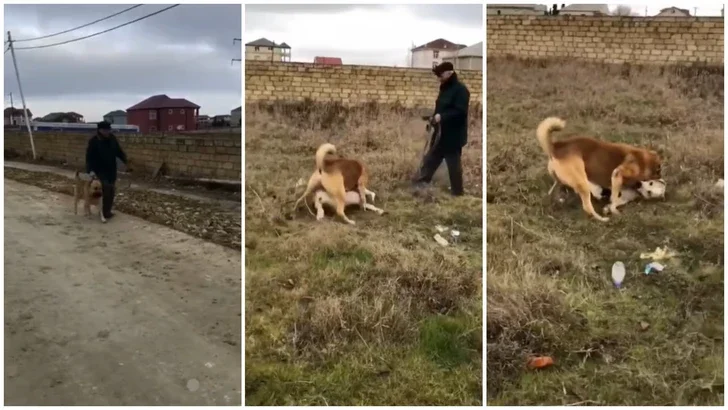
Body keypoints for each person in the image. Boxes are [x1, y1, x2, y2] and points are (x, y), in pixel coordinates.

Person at [414, 61, 470, 196]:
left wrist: (442, 117)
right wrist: (433, 121)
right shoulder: (444, 87)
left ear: (450, 73)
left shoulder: (461, 90)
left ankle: (457, 192)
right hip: (440, 133)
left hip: (453, 134)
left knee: (453, 164)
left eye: (440, 74)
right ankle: (421, 182)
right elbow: (440, 108)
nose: (438, 78)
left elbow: (460, 111)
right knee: (432, 158)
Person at [85, 121, 129, 220]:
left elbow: (118, 151)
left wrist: (126, 161)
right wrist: (90, 170)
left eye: (108, 130)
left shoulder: (112, 138)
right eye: (105, 130)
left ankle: (107, 211)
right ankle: (103, 212)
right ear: (99, 130)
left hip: (111, 169)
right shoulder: (94, 141)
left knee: (112, 190)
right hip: (99, 170)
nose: (107, 132)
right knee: (106, 189)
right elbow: (89, 157)